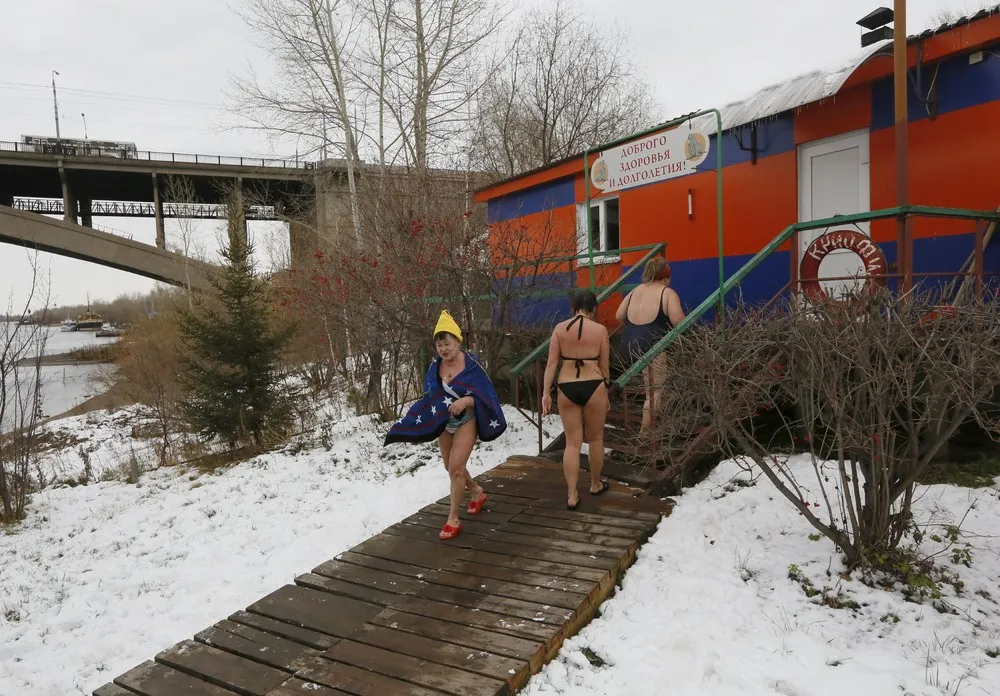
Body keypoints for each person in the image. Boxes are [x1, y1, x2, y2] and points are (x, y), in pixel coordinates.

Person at [384, 310, 507, 540]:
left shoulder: (472, 366)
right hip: (444, 423)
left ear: (458, 340)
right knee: (450, 467)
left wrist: (466, 400)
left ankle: (453, 518)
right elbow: (429, 397)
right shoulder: (434, 367)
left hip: (466, 420)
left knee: (456, 468)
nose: (444, 349)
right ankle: (477, 492)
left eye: (447, 343)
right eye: (439, 345)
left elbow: (487, 394)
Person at [541, 290, 611, 510]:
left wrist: (545, 393)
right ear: (593, 308)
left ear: (573, 307)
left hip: (566, 385)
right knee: (596, 438)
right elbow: (605, 366)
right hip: (594, 383)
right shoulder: (600, 330)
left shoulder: (560, 329)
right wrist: (606, 390)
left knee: (572, 442)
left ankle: (572, 495)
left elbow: (551, 364)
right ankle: (596, 484)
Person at [615, 257, 686, 433]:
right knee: (654, 394)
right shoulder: (667, 293)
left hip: (628, 346)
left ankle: (653, 427)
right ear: (666, 277)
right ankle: (645, 435)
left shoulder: (634, 291)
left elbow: (619, 315)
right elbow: (679, 322)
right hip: (651, 347)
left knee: (652, 389)